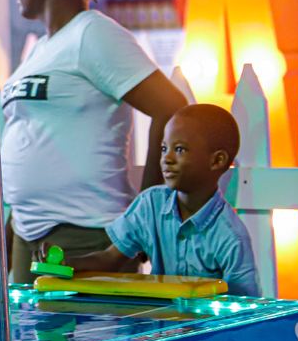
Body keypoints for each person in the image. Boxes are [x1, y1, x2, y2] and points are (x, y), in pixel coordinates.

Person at [3, 0, 188, 282]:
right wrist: (14, 222)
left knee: (86, 322)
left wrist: (144, 217)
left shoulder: (93, 34)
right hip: (29, 233)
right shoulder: (41, 49)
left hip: (85, 233)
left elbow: (170, 108)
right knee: (28, 322)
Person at [45, 103, 259, 297]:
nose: (167, 159)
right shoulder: (150, 204)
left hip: (205, 327)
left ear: (217, 161)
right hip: (159, 320)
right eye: (164, 148)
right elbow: (110, 259)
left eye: (180, 149)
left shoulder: (231, 236)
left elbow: (245, 306)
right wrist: (67, 263)